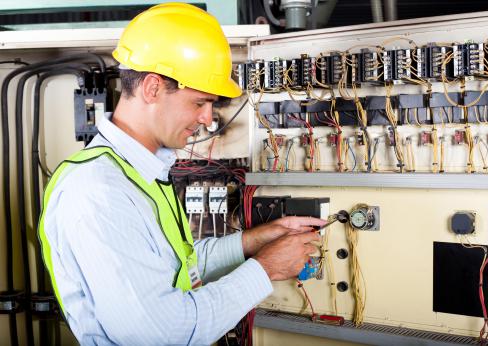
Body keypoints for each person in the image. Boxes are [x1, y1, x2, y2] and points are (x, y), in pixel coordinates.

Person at [38, 3, 325, 345]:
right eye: (199, 102)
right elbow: (162, 332)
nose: (207, 118)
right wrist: (266, 268)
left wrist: (253, 242)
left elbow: (178, 268)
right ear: (152, 88)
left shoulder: (139, 173)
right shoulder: (98, 191)